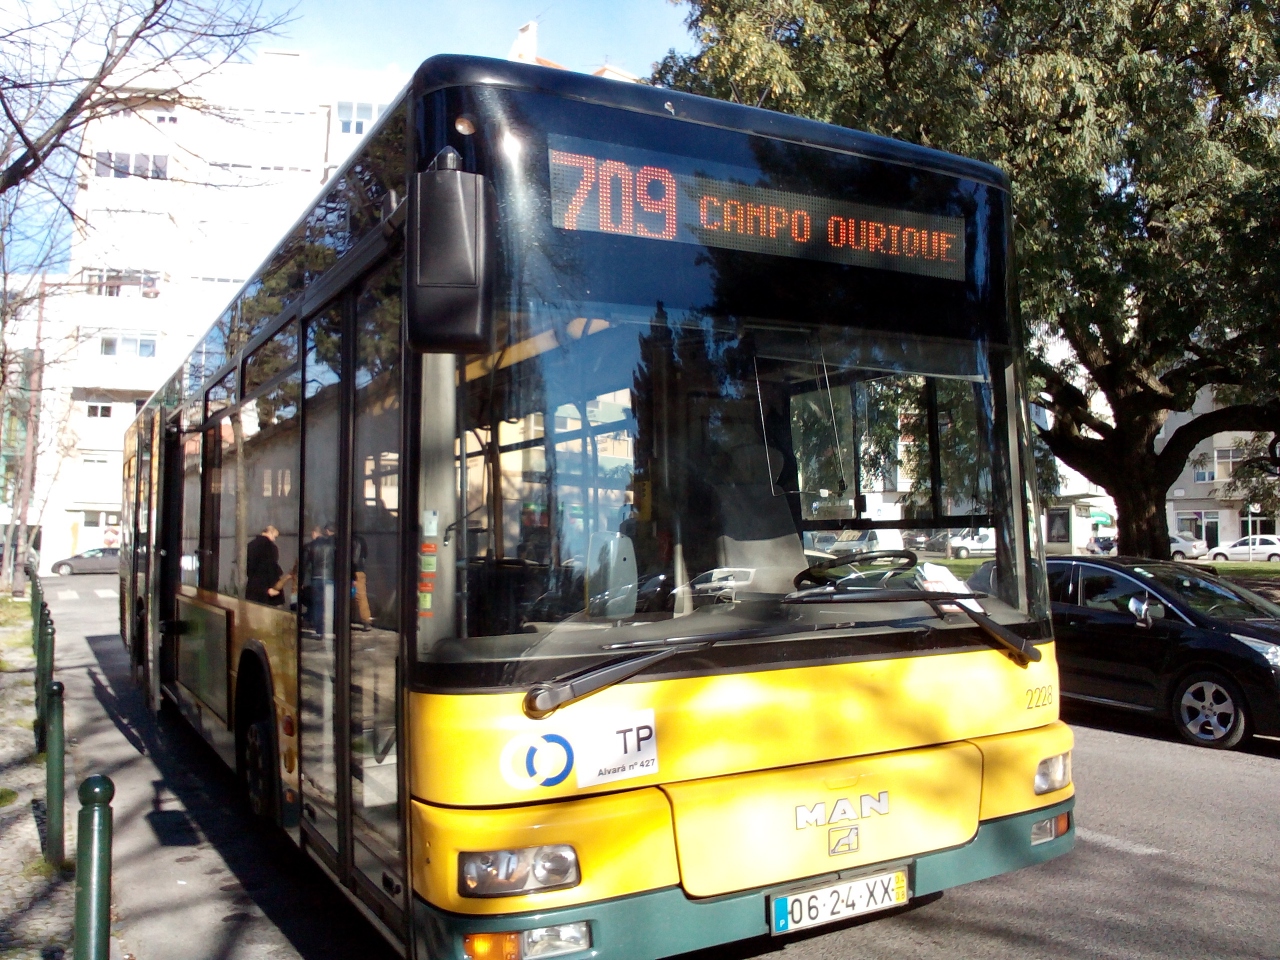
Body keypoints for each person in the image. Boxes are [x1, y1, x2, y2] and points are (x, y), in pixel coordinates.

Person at [246, 525, 287, 605]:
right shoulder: (271, 547)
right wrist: (271, 587)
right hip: (266, 588)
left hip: (252, 587)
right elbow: (271, 567)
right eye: (274, 536)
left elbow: (249, 567)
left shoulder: (250, 545)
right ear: (270, 532)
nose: (274, 539)